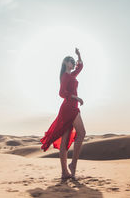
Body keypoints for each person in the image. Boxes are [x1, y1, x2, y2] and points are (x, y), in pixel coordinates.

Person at [40, 47, 86, 181]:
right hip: (69, 107)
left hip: (69, 107)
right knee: (82, 133)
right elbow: (61, 93)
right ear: (65, 63)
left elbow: (81, 66)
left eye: (73, 61)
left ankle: (64, 172)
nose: (73, 62)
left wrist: (79, 55)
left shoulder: (71, 75)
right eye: (70, 60)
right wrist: (75, 97)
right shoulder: (65, 76)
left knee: (65, 141)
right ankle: (72, 165)